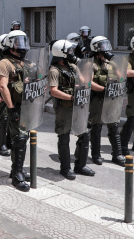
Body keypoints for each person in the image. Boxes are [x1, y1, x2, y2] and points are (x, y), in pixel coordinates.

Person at [50, 39, 100, 180]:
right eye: (69, 51)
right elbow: (53, 91)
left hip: (79, 107)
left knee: (84, 134)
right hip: (64, 109)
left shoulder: (72, 66)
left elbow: (87, 77)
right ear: (61, 53)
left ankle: (81, 165)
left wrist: (79, 62)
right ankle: (65, 168)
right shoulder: (54, 70)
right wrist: (71, 98)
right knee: (64, 137)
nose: (72, 53)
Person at [0, 30, 34, 191]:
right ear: (11, 44)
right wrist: (11, 108)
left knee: (23, 138)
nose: (22, 45)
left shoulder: (26, 62)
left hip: (26, 105)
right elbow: (2, 86)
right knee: (18, 138)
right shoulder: (5, 63)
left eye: (23, 41)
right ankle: (17, 174)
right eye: (18, 42)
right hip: (14, 106)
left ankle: (17, 169)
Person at [88, 36, 126, 167]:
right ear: (96, 49)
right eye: (102, 46)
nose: (105, 48)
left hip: (111, 99)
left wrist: (116, 81)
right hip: (98, 99)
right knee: (96, 126)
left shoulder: (111, 63)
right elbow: (89, 83)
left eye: (106, 45)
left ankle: (117, 154)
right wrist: (104, 89)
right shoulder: (91, 64)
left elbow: (121, 78)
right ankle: (96, 155)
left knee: (114, 126)